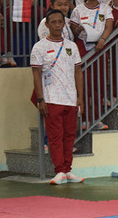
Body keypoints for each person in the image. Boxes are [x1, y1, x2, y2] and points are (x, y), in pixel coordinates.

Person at [30, 9, 85, 185]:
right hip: (51, 98)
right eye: (53, 22)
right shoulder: (39, 47)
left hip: (70, 98)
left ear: (64, 24)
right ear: (46, 24)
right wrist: (40, 99)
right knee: (55, 136)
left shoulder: (71, 46)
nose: (56, 25)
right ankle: (59, 170)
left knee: (70, 135)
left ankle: (68, 170)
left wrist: (80, 97)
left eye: (59, 22)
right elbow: (36, 74)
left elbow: (78, 72)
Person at [69, 0, 114, 130]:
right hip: (83, 47)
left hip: (100, 48)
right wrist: (79, 29)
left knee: (99, 84)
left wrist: (103, 39)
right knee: (84, 85)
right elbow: (73, 31)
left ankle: (96, 119)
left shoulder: (105, 8)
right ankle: (84, 120)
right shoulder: (78, 10)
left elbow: (109, 26)